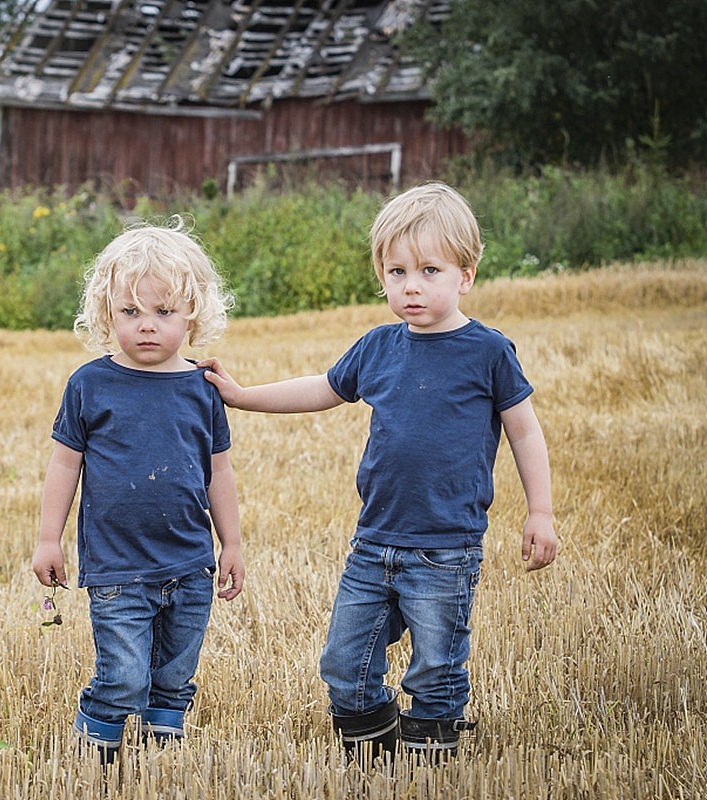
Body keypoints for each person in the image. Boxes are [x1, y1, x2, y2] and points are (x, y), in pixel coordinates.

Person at [199, 181, 557, 761]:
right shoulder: (378, 347)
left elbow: (525, 431)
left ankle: (432, 755)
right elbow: (321, 388)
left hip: (446, 547)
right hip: (373, 543)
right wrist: (242, 395)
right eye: (396, 272)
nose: (410, 285)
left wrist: (540, 510)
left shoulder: (488, 352)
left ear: (466, 274)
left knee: (436, 665)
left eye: (430, 271)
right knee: (344, 663)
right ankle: (375, 752)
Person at [32, 217, 246, 765]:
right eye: (130, 312)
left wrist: (233, 545)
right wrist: (48, 540)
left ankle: (160, 762)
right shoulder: (90, 385)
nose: (146, 326)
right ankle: (94, 759)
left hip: (189, 565)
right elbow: (64, 464)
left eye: (163, 312)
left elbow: (219, 471)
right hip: (117, 569)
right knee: (124, 678)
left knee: (174, 677)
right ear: (107, 314)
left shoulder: (202, 389)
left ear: (193, 314)